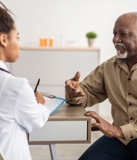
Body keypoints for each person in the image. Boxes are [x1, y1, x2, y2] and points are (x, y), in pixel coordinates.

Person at [65, 12, 137, 160]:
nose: (115, 39)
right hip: (120, 140)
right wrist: (74, 93)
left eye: (123, 34)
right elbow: (87, 93)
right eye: (114, 33)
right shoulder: (109, 67)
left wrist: (117, 131)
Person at [0, 2, 50, 160]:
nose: (19, 45)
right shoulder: (16, 86)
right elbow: (34, 122)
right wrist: (41, 105)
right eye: (17, 37)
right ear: (3, 39)